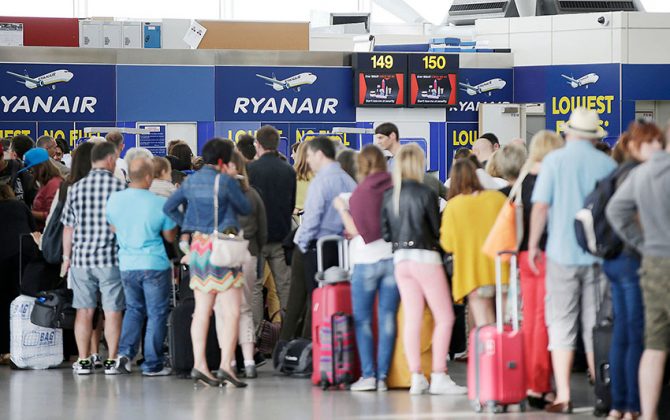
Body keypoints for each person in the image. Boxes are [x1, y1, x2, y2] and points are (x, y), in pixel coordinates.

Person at [527, 108, 617, 414]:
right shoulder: (607, 164)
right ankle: (603, 393)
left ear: (568, 132)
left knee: (562, 323)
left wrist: (533, 244)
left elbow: (540, 207)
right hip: (597, 255)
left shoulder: (554, 161)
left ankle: (564, 396)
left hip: (561, 253)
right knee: (596, 323)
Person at [164, 138, 251, 387]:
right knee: (231, 310)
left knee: (201, 311)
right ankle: (226, 366)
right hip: (222, 248)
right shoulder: (224, 181)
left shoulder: (190, 181)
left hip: (198, 248)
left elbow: (170, 207)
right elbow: (245, 208)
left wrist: (188, 222)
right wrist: (237, 181)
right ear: (224, 161)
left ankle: (199, 365)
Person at [380, 143, 465, 396]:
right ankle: (439, 374)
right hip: (425, 258)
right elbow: (436, 229)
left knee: (413, 318)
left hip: (400, 260)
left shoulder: (389, 195)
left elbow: (386, 234)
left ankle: (416, 375)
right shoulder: (425, 192)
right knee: (445, 317)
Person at [600, 122, 664, 420]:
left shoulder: (623, 172)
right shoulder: (642, 173)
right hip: (633, 260)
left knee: (632, 335)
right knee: (638, 336)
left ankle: (624, 406)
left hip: (622, 260)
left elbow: (614, 211)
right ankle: (632, 406)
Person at [333, 145, 399, 392]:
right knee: (388, 318)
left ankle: (369, 375)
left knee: (362, 320)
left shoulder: (359, 193)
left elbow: (356, 230)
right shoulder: (394, 186)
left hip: (365, 260)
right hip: (392, 259)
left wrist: (342, 210)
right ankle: (383, 376)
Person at [106, 157, 177, 377]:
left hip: (127, 264)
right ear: (148, 177)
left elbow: (113, 228)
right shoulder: (159, 203)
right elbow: (169, 235)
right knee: (156, 313)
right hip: (154, 263)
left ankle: (124, 356)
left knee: (134, 310)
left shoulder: (114, 200)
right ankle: (152, 364)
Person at [61, 141, 127, 375]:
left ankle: (84, 360)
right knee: (112, 311)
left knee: (84, 311)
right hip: (111, 259)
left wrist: (66, 258)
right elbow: (123, 227)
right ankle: (110, 361)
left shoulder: (75, 188)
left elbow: (68, 228)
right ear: (110, 160)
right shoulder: (120, 188)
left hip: (81, 260)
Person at [515, 130, 565, 409]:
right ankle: (541, 383)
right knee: (548, 320)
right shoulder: (554, 177)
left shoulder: (524, 178)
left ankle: (530, 380)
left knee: (530, 319)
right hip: (547, 253)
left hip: (525, 254)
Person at [440, 159, 508, 326]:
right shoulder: (497, 198)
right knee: (502, 322)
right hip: (501, 269)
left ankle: (484, 351)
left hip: (473, 272)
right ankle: (502, 351)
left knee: (483, 322)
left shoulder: (454, 206)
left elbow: (447, 244)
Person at [222, 150, 267, 377]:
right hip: (248, 254)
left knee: (225, 311)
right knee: (245, 309)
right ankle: (249, 361)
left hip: (222, 256)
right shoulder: (252, 195)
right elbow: (263, 230)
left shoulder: (218, 194)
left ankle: (228, 361)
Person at [294, 136, 356, 292]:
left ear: (319, 155)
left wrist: (302, 245)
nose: (307, 160)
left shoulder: (320, 182)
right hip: (343, 248)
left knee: (318, 297)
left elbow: (312, 218)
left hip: (318, 248)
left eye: (309, 156)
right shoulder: (348, 180)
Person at [248, 125, 296, 312]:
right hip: (281, 236)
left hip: (257, 238)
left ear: (257, 144)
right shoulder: (288, 170)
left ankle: (256, 335)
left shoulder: (251, 169)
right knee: (284, 286)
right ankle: (288, 335)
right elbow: (291, 204)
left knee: (256, 288)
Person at [0, 184, 36, 363]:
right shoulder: (20, 206)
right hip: (23, 254)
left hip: (3, 257)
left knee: (4, 301)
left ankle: (5, 349)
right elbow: (33, 228)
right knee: (21, 299)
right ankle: (23, 346)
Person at [374, 123, 447, 200]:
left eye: (380, 138)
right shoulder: (388, 162)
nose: (378, 142)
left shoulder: (409, 155)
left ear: (392, 136)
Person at [21, 148, 64, 231]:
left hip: (49, 233)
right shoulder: (46, 184)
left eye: (32, 169)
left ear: (39, 167)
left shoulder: (53, 185)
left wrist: (29, 213)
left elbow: (53, 215)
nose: (31, 172)